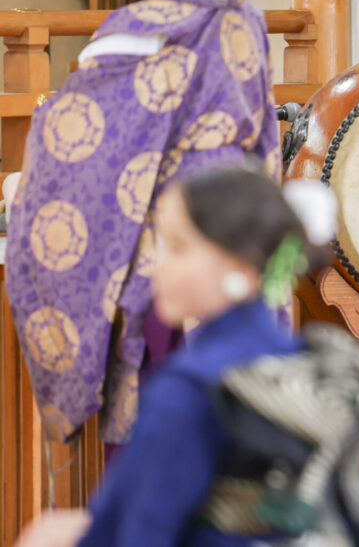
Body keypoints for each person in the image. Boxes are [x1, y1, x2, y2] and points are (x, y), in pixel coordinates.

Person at [7, 0, 278, 447]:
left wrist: (19, 191)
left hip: (170, 254)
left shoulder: (135, 34)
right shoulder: (247, 19)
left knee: (164, 420)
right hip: (240, 239)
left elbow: (76, 152)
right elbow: (266, 139)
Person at [14, 168, 327, 547]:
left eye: (178, 247)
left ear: (242, 267)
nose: (157, 265)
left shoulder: (189, 389)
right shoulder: (305, 361)